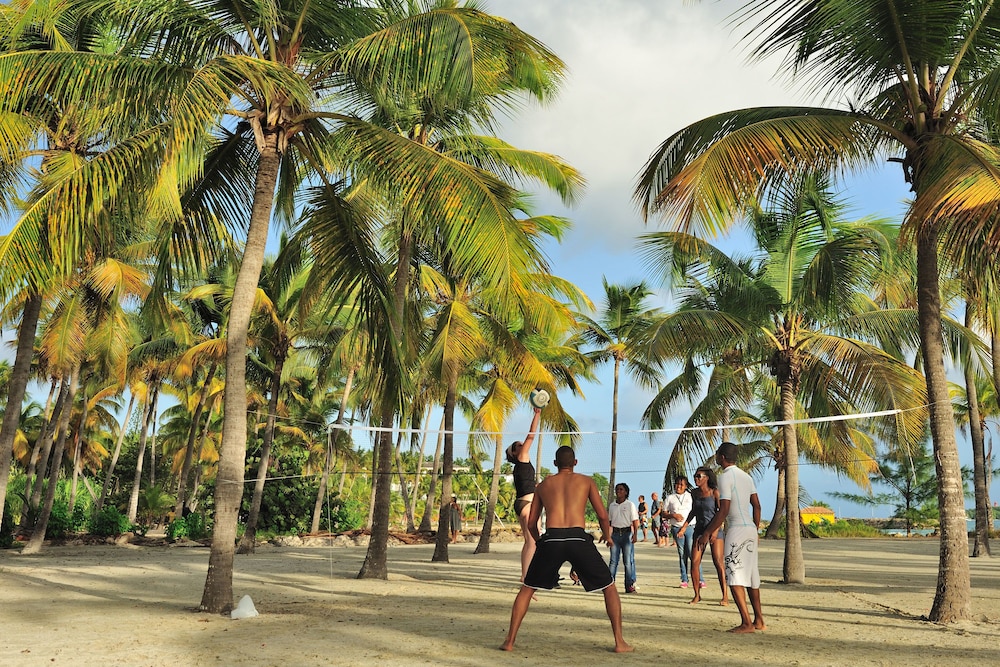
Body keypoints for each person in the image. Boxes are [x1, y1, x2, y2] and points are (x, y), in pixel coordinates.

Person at [500, 445, 632, 653]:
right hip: (578, 538)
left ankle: (509, 641)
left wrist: (539, 541)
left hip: (552, 538)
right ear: (575, 463)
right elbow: (602, 515)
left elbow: (532, 522)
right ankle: (619, 642)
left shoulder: (543, 485)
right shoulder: (586, 481)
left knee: (527, 588)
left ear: (555, 463)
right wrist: (607, 536)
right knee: (609, 587)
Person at [697, 442, 765, 633]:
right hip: (750, 528)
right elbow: (757, 506)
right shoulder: (746, 477)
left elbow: (724, 509)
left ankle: (746, 623)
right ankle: (759, 620)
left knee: (734, 574)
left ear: (722, 457)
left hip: (737, 528)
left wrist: (707, 532)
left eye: (717, 454)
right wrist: (755, 528)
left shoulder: (725, 477)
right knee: (751, 575)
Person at [678, 466, 728, 605]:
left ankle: (725, 595)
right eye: (695, 476)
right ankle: (697, 595)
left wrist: (715, 531)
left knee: (718, 562)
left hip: (714, 530)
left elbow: (721, 513)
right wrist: (684, 526)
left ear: (707, 478)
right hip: (699, 530)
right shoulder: (694, 493)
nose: (696, 478)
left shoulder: (714, 492)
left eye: (699, 476)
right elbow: (693, 511)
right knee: (694, 561)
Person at [505, 407, 543, 582]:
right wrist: (537, 414)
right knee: (532, 542)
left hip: (523, 502)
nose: (522, 445)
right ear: (514, 453)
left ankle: (528, 574)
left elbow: (528, 485)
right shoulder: (522, 458)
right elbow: (531, 436)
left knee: (530, 541)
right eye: (518, 445)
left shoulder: (521, 467)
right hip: (527, 504)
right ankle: (526, 576)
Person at [664, 476, 701, 588]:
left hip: (690, 527)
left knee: (692, 552)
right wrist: (673, 515)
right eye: (677, 484)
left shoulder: (690, 496)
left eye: (681, 485)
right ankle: (684, 579)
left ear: (686, 486)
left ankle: (700, 578)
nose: (678, 486)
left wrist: (685, 527)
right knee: (682, 553)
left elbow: (696, 510)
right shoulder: (670, 498)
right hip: (676, 527)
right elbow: (664, 513)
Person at [607, 483, 639, 593]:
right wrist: (608, 536)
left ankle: (629, 585)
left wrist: (635, 534)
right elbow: (610, 522)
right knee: (613, 561)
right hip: (615, 534)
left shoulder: (630, 505)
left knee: (628, 561)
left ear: (626, 492)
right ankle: (610, 583)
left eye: (621, 489)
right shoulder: (612, 506)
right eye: (617, 489)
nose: (618, 491)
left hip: (627, 534)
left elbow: (635, 521)